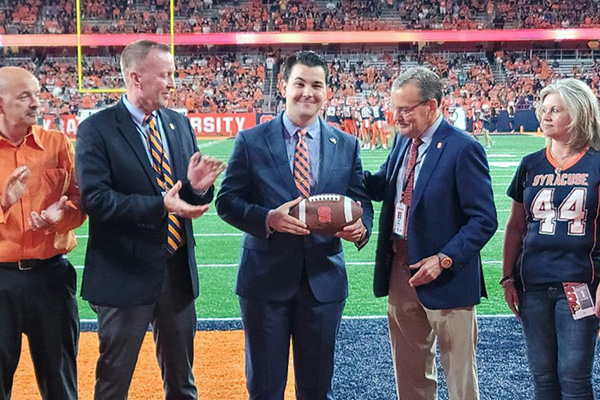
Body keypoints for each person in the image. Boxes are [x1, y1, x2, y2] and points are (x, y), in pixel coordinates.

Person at [215, 51, 373, 400]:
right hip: (264, 283)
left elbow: (362, 205)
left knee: (317, 389)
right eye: (299, 83)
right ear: (283, 86)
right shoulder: (251, 140)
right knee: (266, 389)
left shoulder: (346, 145)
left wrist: (360, 230)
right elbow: (226, 202)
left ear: (326, 92)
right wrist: (269, 218)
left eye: (317, 85)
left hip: (324, 283)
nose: (307, 93)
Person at [75, 40, 224, 399]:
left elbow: (185, 194)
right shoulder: (97, 129)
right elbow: (96, 200)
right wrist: (161, 205)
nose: (173, 83)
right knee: (113, 383)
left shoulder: (178, 124)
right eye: (166, 75)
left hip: (176, 273)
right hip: (123, 273)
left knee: (182, 383)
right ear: (136, 78)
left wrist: (198, 189)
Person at [364, 67, 497, 400]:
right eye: (394, 108)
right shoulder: (402, 141)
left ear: (433, 106)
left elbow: (483, 219)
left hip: (446, 277)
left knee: (460, 379)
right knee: (409, 372)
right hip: (400, 271)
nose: (396, 117)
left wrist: (444, 259)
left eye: (406, 109)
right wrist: (345, 171)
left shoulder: (463, 149)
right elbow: (384, 185)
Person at [502, 78, 600, 400]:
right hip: (533, 285)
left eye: (555, 110)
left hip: (579, 284)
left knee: (574, 378)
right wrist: (507, 278)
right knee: (543, 378)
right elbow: (515, 226)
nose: (545, 115)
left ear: (579, 113)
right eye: (544, 109)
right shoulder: (530, 164)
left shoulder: (597, 164)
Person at [0, 66, 86, 399]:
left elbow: (80, 202)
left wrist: (61, 216)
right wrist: (4, 204)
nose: (37, 103)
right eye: (25, 96)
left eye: (37, 93)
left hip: (51, 278)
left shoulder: (57, 143)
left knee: (61, 382)